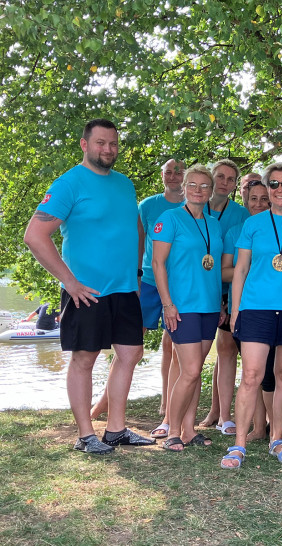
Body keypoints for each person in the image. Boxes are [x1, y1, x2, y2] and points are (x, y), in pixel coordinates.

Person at [24, 118, 153, 454]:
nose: (107, 149)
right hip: (86, 291)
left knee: (130, 354)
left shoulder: (125, 184)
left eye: (112, 143)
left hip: (125, 289)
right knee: (85, 357)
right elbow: (35, 236)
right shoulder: (69, 183)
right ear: (85, 144)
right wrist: (69, 281)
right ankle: (85, 435)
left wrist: (137, 276)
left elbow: (134, 231)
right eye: (100, 143)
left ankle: (116, 430)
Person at [222, 161, 282, 468]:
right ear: (267, 188)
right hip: (256, 307)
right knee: (251, 375)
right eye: (274, 185)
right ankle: (239, 444)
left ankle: (277, 438)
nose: (280, 190)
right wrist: (236, 310)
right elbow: (239, 270)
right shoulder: (253, 224)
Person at [151, 164, 224, 451]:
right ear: (184, 187)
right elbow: (158, 264)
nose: (198, 190)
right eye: (193, 185)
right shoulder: (169, 219)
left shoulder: (213, 223)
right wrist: (167, 304)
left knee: (194, 369)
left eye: (204, 186)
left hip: (208, 305)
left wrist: (219, 303)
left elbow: (214, 267)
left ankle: (189, 429)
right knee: (191, 370)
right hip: (181, 305)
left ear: (211, 191)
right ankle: (172, 430)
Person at [200, 159, 250, 437]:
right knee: (205, 353)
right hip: (199, 287)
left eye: (231, 179)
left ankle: (225, 414)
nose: (224, 182)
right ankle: (216, 413)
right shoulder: (193, 207)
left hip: (231, 290)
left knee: (234, 352)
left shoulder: (240, 216)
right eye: (220, 176)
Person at [220, 181, 272, 442]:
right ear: (246, 201)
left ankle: (269, 426)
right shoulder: (234, 232)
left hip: (274, 309)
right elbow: (226, 270)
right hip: (245, 307)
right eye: (254, 199)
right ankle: (255, 425)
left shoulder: (280, 228)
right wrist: (254, 270)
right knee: (252, 371)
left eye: (265, 198)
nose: (260, 204)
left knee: (271, 371)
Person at [138, 158, 185, 436]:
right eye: (168, 172)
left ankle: (168, 403)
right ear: (162, 176)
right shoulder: (147, 205)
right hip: (148, 279)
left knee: (174, 343)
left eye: (178, 171)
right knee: (132, 341)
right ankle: (108, 401)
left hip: (177, 281)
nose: (173, 176)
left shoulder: (192, 206)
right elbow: (139, 241)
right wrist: (134, 275)